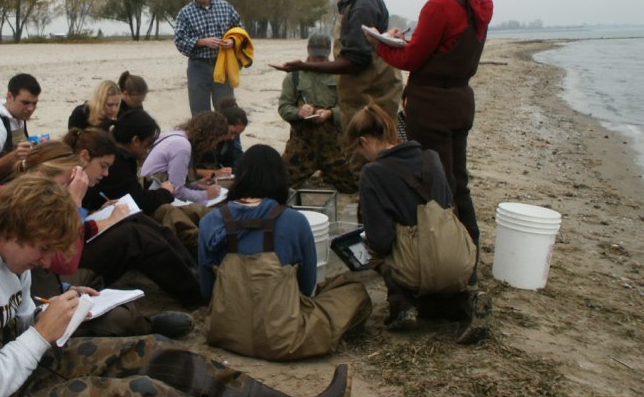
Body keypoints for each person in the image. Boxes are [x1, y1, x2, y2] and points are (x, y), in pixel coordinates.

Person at [0, 173, 353, 397]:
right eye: (42, 250)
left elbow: (11, 330)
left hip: (12, 374)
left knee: (151, 350)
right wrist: (41, 333)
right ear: (9, 229)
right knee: (137, 393)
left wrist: (56, 311)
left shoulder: (8, 259)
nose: (44, 263)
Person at [0, 140, 193, 339]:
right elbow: (63, 262)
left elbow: (45, 263)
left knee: (125, 238)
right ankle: (155, 319)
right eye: (102, 166)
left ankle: (192, 279)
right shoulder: (9, 208)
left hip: (38, 289)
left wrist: (65, 287)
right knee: (129, 241)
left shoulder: (30, 206)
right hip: (30, 300)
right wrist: (73, 203)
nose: (105, 174)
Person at [368, 0, 493, 252]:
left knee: (437, 183)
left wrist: (379, 44)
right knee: (458, 180)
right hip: (461, 101)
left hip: (431, 105)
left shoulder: (439, 7)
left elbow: (411, 59)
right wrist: (407, 43)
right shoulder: (476, 5)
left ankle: (448, 250)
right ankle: (470, 244)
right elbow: (440, 49)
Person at [198, 145, 371, 361]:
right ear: (279, 178)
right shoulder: (294, 221)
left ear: (239, 177)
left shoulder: (209, 221)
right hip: (283, 339)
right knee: (354, 292)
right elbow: (307, 286)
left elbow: (207, 291)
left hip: (225, 333)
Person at [346, 104, 491, 344]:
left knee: (379, 254)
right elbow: (449, 202)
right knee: (438, 281)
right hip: (461, 257)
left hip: (418, 264)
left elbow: (381, 240)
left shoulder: (372, 173)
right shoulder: (431, 157)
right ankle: (467, 302)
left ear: (364, 141)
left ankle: (402, 305)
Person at [271, 0, 403, 132]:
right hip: (360, 100)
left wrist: (304, 66)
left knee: (366, 148)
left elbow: (355, 62)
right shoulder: (354, 0)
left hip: (370, 104)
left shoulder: (363, 4)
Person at [64, 127, 204, 305]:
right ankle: (195, 293)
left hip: (77, 246)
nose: (106, 174)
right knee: (134, 236)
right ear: (84, 156)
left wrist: (99, 213)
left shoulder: (78, 180)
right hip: (68, 262)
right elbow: (66, 238)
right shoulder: (66, 182)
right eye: (103, 166)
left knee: (135, 217)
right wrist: (108, 220)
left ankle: (196, 273)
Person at [278, 33, 358, 193]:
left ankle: (327, 176)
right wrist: (299, 112)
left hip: (334, 146)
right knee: (280, 184)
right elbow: (284, 107)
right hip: (301, 145)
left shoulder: (340, 75)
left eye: (322, 56)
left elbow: (351, 110)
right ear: (308, 50)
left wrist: (331, 113)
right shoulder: (294, 76)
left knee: (354, 185)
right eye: (315, 56)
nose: (318, 60)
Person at [174, 0, 242, 115]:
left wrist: (232, 41)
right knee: (200, 114)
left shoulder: (225, 7)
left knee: (227, 112)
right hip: (198, 67)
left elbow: (240, 29)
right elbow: (179, 41)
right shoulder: (185, 14)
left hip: (222, 64)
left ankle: (227, 131)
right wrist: (202, 42)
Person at [141, 111, 230, 205]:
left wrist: (196, 185)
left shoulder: (177, 135)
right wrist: (206, 195)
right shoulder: (182, 147)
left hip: (153, 190)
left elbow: (174, 183)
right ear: (210, 138)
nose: (214, 147)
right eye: (216, 142)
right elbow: (177, 191)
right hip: (153, 196)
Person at [196, 97, 248, 177]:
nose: (233, 138)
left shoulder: (227, 143)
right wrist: (215, 173)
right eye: (232, 132)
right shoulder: (198, 138)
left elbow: (230, 163)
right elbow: (185, 171)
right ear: (221, 124)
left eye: (237, 134)